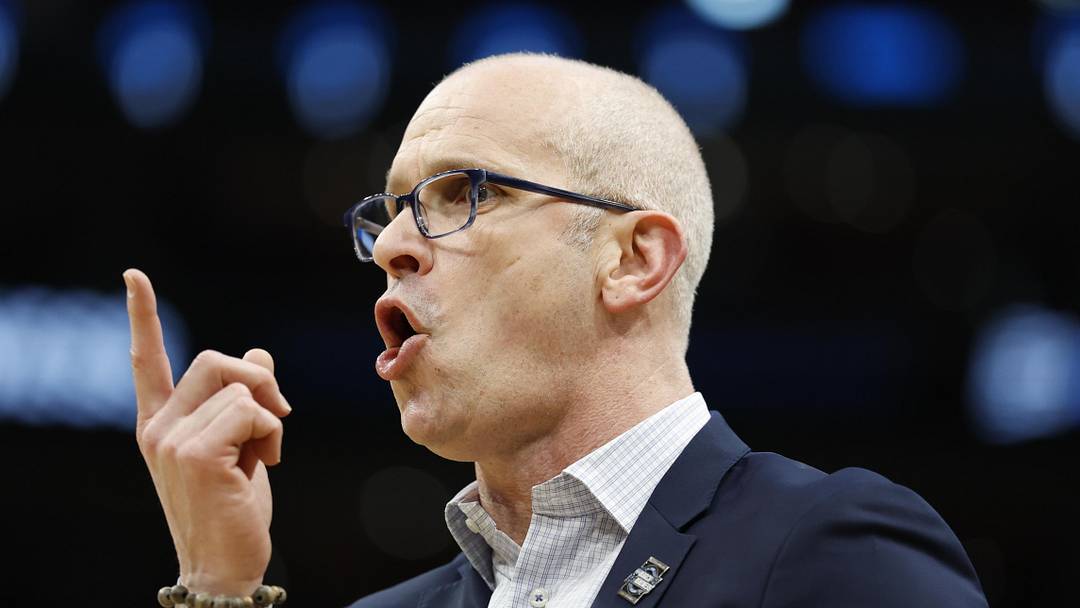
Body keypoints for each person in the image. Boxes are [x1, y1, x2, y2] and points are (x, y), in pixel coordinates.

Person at [126, 53, 988, 607]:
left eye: (467, 192)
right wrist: (218, 589)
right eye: (386, 214)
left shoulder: (829, 550)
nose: (390, 246)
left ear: (633, 261)